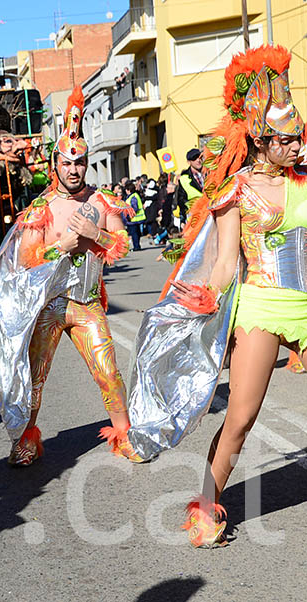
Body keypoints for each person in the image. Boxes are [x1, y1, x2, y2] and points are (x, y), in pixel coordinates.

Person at [126, 45, 307, 547]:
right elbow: (226, 260)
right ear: (262, 140)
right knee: (242, 417)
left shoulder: (304, 181)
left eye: (300, 136)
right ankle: (205, 507)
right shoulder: (236, 190)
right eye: (287, 140)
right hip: (261, 307)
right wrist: (201, 299)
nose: (297, 146)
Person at [0, 86, 143, 466]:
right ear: (55, 165)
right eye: (67, 163)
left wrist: (96, 235)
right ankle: (25, 440)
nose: (74, 170)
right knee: (36, 380)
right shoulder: (40, 208)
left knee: (108, 373)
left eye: (80, 163)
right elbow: (28, 263)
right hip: (49, 307)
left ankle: (124, 435)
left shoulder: (101, 201)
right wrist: (61, 245)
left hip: (87, 304)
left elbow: (122, 246)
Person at [176, 148, 204, 225]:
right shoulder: (184, 179)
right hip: (195, 217)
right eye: (194, 158)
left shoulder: (210, 173)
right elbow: (181, 201)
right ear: (189, 162)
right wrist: (182, 219)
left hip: (211, 214)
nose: (198, 160)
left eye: (200, 157)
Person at [123, 180, 144, 251]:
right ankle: (137, 245)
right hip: (135, 219)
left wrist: (129, 216)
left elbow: (134, 208)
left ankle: (136, 246)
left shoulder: (133, 197)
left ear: (128, 190)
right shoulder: (132, 196)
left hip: (133, 219)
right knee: (136, 233)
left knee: (134, 234)